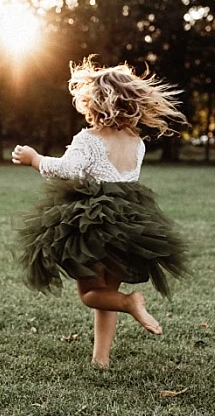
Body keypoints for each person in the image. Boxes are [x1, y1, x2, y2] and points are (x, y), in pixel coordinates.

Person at [11, 58, 189, 368]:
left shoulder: (89, 140)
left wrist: (34, 158)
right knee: (108, 292)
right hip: (131, 221)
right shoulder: (137, 143)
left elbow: (65, 170)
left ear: (94, 104)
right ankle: (101, 359)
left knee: (91, 293)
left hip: (93, 221)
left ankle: (130, 302)